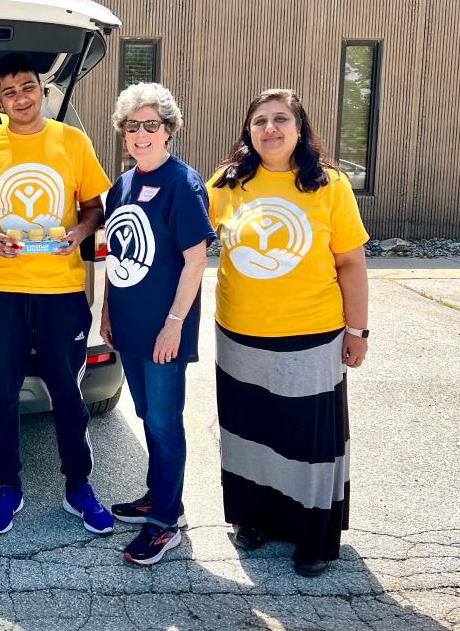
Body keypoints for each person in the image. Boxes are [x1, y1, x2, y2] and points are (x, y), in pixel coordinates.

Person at [207, 88, 370, 578]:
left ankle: (313, 538)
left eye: (281, 119)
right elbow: (185, 237)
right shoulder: (227, 183)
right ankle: (254, 521)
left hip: (311, 335)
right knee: (249, 434)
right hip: (237, 335)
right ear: (248, 131)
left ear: (300, 129)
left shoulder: (329, 186)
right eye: (260, 121)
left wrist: (358, 330)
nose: (270, 129)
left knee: (308, 442)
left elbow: (351, 262)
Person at [0, 52, 114, 536]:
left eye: (27, 87)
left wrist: (79, 232)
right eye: (8, 92)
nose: (20, 98)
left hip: (62, 289)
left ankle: (79, 488)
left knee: (68, 392)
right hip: (2, 290)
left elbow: (95, 208)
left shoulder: (73, 141)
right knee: (2, 393)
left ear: (42, 88)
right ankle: (8, 486)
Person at [99, 83, 215, 566]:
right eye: (132, 126)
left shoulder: (183, 184)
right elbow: (115, 255)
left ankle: (165, 522)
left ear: (169, 130)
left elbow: (195, 262)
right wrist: (106, 311)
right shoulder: (122, 186)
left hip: (164, 332)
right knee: (149, 417)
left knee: (165, 424)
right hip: (128, 327)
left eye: (151, 125)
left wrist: (174, 325)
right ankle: (158, 497)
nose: (141, 134)